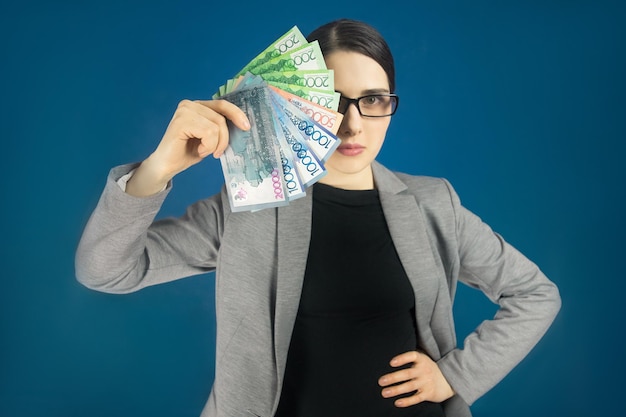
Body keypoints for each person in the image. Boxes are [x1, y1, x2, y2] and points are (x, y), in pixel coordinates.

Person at [75, 18, 561, 417]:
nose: (351, 124)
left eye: (372, 100)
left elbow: (535, 295)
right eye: (329, 101)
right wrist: (158, 167)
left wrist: (455, 376)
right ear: (296, 104)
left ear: (390, 107)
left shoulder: (435, 203)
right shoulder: (249, 206)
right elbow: (107, 270)